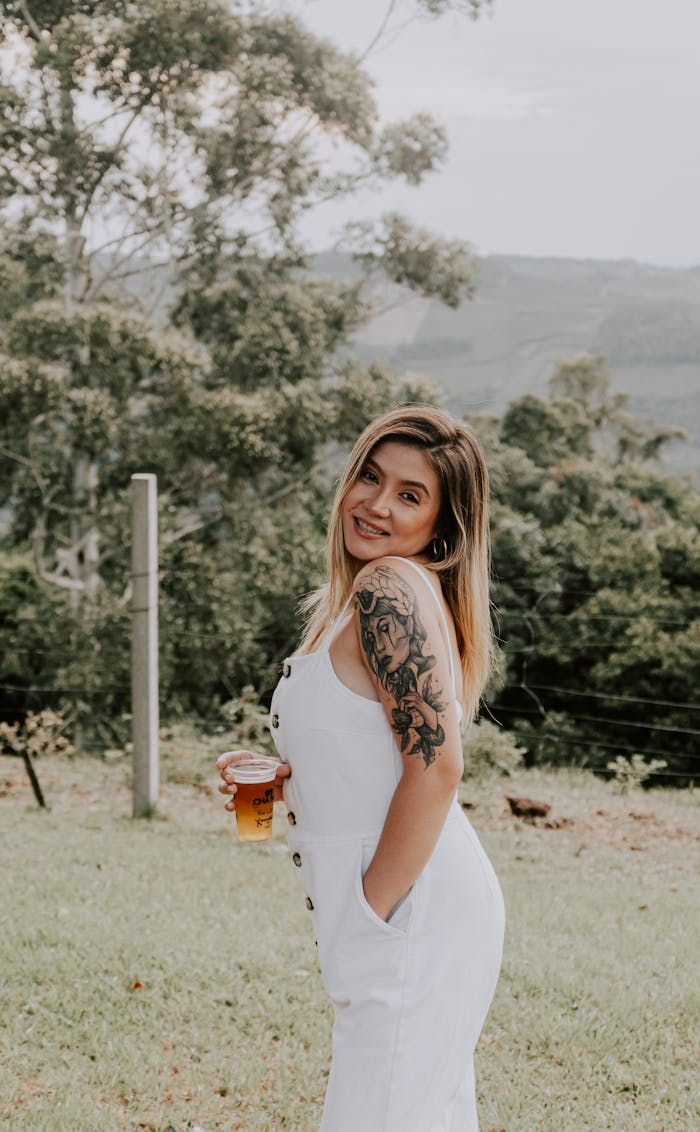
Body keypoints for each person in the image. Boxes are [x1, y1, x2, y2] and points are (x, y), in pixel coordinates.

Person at [217, 405, 505, 1132]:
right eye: (370, 478)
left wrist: (370, 910)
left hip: (412, 907)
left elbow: (438, 769)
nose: (376, 503)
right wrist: (286, 777)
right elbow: (368, 751)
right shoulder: (357, 600)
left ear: (443, 525)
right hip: (404, 906)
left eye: (410, 494)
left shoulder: (388, 591)